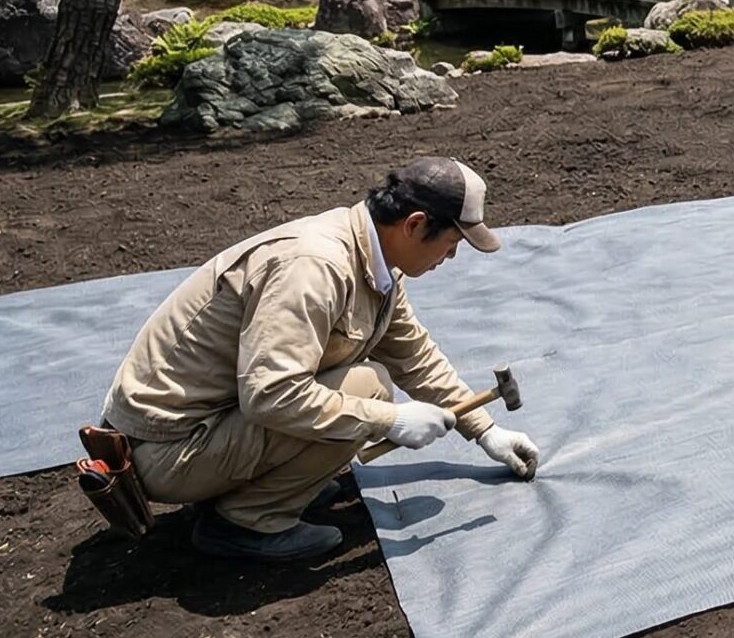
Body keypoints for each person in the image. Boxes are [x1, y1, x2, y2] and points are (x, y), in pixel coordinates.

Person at [98, 157, 544, 562]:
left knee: (364, 388)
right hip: (168, 450)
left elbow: (415, 357)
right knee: (368, 388)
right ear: (414, 224)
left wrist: (486, 431)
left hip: (206, 427)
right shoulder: (315, 265)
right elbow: (269, 395)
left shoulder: (375, 263)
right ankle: (245, 521)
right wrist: (388, 419)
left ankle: (281, 480)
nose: (451, 256)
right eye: (451, 242)